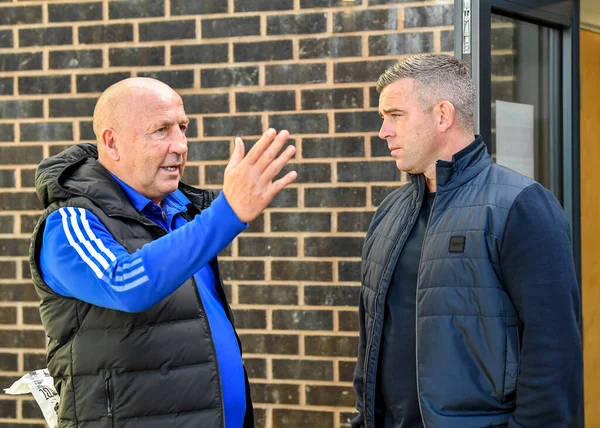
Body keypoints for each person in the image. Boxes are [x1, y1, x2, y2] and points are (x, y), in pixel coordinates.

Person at [28, 77, 297, 428]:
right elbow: (126, 284)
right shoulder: (69, 223)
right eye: (161, 130)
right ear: (112, 143)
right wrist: (227, 212)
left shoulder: (182, 213)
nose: (181, 145)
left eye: (182, 128)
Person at [352, 54, 582, 428]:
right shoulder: (389, 213)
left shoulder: (520, 205)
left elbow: (554, 351)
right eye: (383, 117)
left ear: (443, 115)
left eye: (396, 115)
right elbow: (371, 338)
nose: (384, 131)